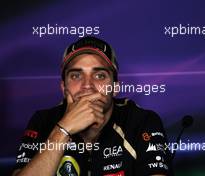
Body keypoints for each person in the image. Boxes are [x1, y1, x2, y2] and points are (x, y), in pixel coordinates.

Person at [12, 36, 173, 176]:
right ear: (63, 87)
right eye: (76, 75)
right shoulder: (43, 121)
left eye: (99, 75)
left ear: (116, 87)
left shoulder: (140, 121)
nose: (87, 86)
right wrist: (63, 131)